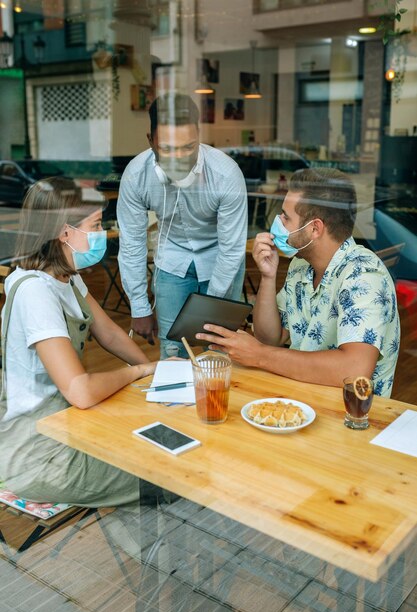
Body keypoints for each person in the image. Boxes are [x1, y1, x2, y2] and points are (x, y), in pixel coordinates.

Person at [0, 177, 157, 506]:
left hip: (65, 425)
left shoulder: (66, 278)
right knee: (163, 472)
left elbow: (110, 333)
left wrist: (156, 371)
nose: (102, 233)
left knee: (153, 447)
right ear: (65, 232)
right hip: (38, 454)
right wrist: (141, 373)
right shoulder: (35, 291)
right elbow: (81, 391)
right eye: (97, 224)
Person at [197, 168, 400, 397]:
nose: (278, 223)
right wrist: (268, 276)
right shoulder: (300, 265)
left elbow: (354, 370)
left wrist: (260, 355)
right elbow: (271, 338)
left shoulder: (364, 274)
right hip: (298, 399)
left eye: (285, 217)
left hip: (350, 418)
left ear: (314, 228)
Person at [117, 93, 248, 359]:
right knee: (173, 350)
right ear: (150, 141)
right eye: (167, 149)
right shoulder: (136, 176)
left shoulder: (226, 174)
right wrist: (140, 308)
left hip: (220, 261)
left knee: (218, 350)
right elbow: (132, 243)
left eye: (188, 147)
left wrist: (210, 311)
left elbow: (231, 249)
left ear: (199, 135)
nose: (179, 159)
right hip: (172, 260)